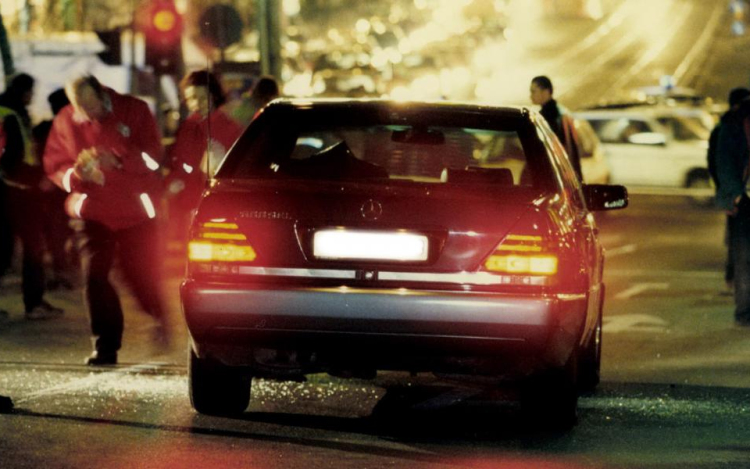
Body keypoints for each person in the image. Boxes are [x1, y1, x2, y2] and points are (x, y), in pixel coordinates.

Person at [43, 75, 170, 365]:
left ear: (103, 95)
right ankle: (104, 346)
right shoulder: (65, 120)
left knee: (138, 274)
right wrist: (77, 175)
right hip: (92, 211)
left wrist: (120, 159)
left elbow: (154, 156)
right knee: (95, 276)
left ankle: (158, 316)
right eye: (80, 108)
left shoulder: (134, 110)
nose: (87, 114)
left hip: (134, 211)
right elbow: (55, 164)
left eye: (91, 106)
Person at [0, 73, 65, 320]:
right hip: (20, 190)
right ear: (24, 92)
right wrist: (34, 179)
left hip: (7, 189)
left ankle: (35, 301)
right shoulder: (13, 115)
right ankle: (34, 303)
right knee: (32, 247)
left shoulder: (5, 111)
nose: (32, 97)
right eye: (31, 92)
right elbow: (14, 155)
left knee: (5, 249)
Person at [164, 70, 243, 243]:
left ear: (213, 95)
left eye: (202, 97)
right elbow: (179, 162)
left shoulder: (230, 128)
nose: (196, 104)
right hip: (189, 205)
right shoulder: (188, 127)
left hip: (219, 207)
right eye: (191, 99)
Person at [32, 88, 76, 290]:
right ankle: (63, 270)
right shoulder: (73, 126)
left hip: (50, 186)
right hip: (67, 185)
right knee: (64, 228)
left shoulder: (42, 128)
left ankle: (60, 269)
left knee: (55, 230)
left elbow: (37, 155)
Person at [708, 87, 750, 294]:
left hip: (737, 194)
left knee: (738, 242)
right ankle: (733, 280)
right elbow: (719, 163)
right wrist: (730, 195)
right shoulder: (727, 128)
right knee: (738, 243)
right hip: (738, 196)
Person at [530, 75, 583, 181]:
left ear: (546, 92)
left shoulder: (547, 117)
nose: (530, 96)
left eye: (533, 91)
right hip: (565, 174)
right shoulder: (563, 113)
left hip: (555, 175)